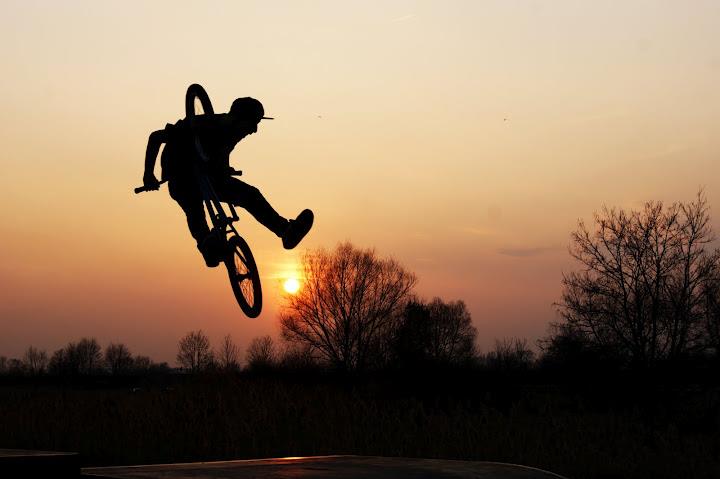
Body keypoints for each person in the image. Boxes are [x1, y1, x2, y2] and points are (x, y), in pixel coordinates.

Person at [142, 96, 313, 267]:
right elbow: (156, 137)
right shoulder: (203, 124)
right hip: (181, 177)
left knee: (250, 195)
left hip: (209, 177)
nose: (254, 130)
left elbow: (219, 154)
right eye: (253, 123)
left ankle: (285, 231)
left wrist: (223, 168)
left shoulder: (233, 132)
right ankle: (207, 246)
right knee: (194, 208)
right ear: (238, 118)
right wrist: (148, 175)